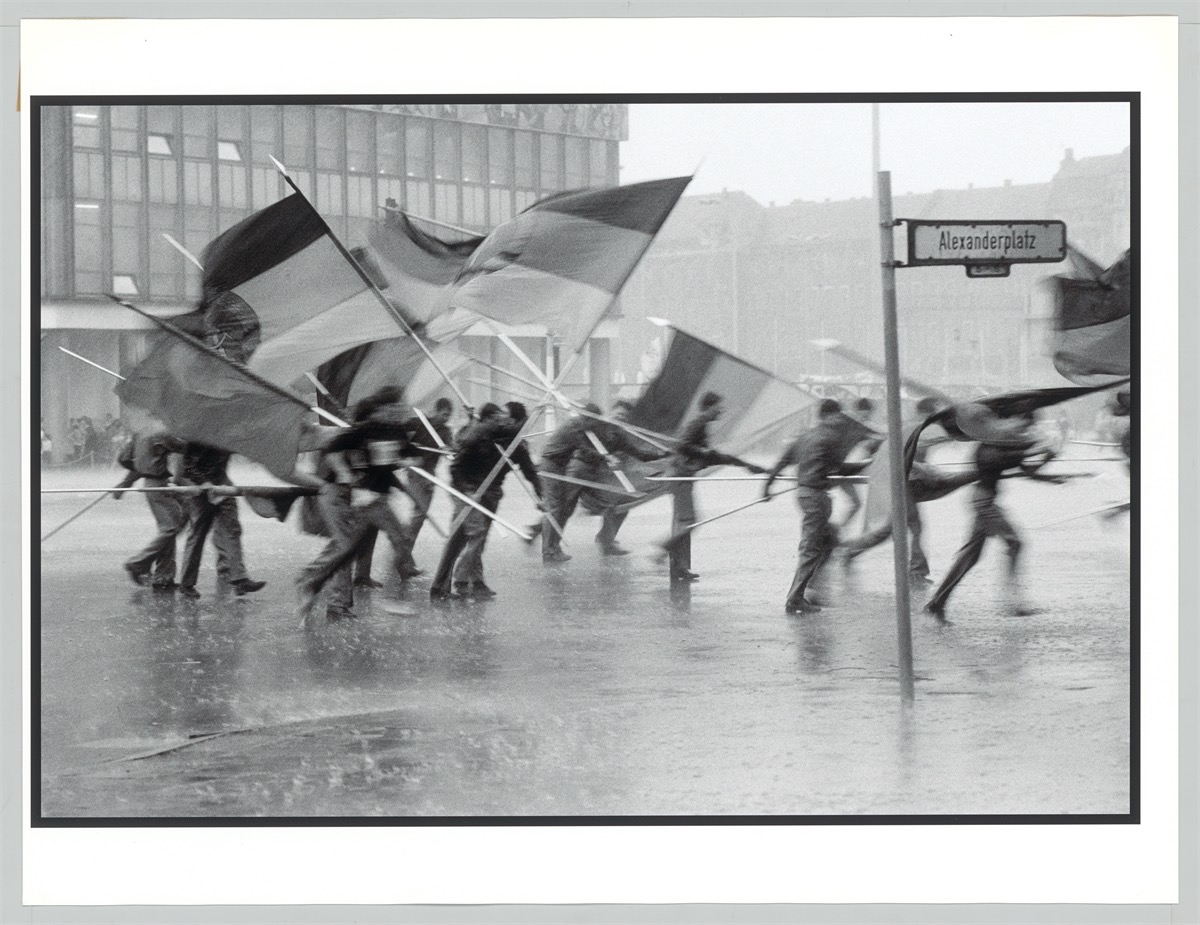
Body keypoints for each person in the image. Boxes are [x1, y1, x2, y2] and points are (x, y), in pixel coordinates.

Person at [924, 407, 1066, 620]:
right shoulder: (989, 447)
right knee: (1015, 543)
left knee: (970, 557)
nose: (1024, 430)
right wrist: (1040, 448)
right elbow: (1003, 460)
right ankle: (1013, 603)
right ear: (1012, 419)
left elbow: (1029, 471)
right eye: (1023, 425)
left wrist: (1049, 460)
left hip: (986, 502)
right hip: (984, 503)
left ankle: (937, 602)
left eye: (1028, 427)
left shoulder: (1006, 443)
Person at [297, 387, 419, 621]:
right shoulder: (361, 432)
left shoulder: (395, 431)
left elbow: (397, 462)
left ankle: (316, 580)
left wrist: (410, 461)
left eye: (400, 408)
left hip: (371, 498)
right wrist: (344, 472)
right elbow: (332, 452)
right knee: (346, 547)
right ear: (380, 411)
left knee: (379, 544)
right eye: (394, 408)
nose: (399, 412)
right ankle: (332, 599)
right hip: (348, 496)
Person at [763, 399, 875, 613]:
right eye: (837, 416)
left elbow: (780, 463)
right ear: (829, 416)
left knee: (830, 541)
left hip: (805, 495)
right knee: (811, 549)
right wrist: (868, 464)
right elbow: (841, 469)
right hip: (816, 498)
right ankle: (795, 598)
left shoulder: (803, 436)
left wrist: (766, 488)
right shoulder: (829, 438)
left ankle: (810, 591)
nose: (839, 420)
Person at [429, 403, 542, 600]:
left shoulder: (516, 447)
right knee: (469, 536)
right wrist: (466, 490)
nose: (501, 421)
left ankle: (471, 583)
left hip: (490, 494)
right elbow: (456, 466)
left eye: (505, 418)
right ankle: (449, 584)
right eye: (499, 417)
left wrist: (542, 497)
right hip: (467, 491)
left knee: (477, 539)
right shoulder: (481, 436)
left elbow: (530, 473)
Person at [841, 396, 955, 584]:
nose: (938, 416)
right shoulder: (916, 430)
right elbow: (898, 456)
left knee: (896, 529)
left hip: (904, 485)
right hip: (898, 487)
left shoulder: (920, 430)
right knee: (900, 529)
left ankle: (851, 551)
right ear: (926, 413)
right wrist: (923, 469)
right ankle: (915, 571)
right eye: (935, 412)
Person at [661, 392, 766, 582]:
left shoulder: (701, 425)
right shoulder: (698, 423)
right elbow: (682, 445)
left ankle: (679, 567)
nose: (721, 411)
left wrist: (746, 465)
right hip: (680, 478)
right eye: (719, 407)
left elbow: (714, 456)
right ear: (709, 407)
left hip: (682, 478)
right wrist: (703, 452)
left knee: (684, 522)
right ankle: (665, 548)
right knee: (689, 521)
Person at [353, 397, 453, 588]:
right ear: (437, 410)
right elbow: (400, 441)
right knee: (397, 530)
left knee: (411, 523)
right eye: (444, 413)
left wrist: (446, 449)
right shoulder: (419, 422)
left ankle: (370, 572)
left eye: (449, 415)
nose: (446, 418)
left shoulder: (445, 431)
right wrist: (405, 456)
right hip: (401, 480)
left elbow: (447, 451)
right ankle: (396, 566)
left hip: (423, 477)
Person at [572, 400, 669, 556]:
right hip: (580, 470)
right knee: (563, 505)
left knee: (621, 506)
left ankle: (605, 539)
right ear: (611, 412)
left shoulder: (618, 436)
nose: (621, 418)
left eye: (624, 417)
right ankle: (605, 540)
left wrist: (662, 454)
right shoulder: (595, 427)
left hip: (598, 475)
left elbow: (639, 454)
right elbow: (579, 442)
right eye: (619, 414)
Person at [176, 443, 267, 600]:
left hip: (222, 484)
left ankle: (240, 579)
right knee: (198, 534)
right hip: (201, 490)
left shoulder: (228, 432)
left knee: (232, 529)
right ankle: (186, 584)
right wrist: (203, 482)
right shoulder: (199, 434)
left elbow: (240, 445)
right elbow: (187, 466)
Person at [115, 431, 189, 591]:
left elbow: (125, 459)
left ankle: (164, 577)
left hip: (152, 484)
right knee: (171, 528)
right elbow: (183, 448)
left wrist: (125, 483)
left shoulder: (140, 432)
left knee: (170, 527)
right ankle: (138, 562)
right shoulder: (161, 432)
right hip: (158, 485)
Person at [835, 397, 883, 528]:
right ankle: (840, 529)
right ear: (861, 410)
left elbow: (883, 436)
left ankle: (840, 529)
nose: (868, 416)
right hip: (841, 467)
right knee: (857, 503)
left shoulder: (866, 427)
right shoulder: (849, 422)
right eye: (867, 412)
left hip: (849, 467)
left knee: (857, 504)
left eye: (870, 413)